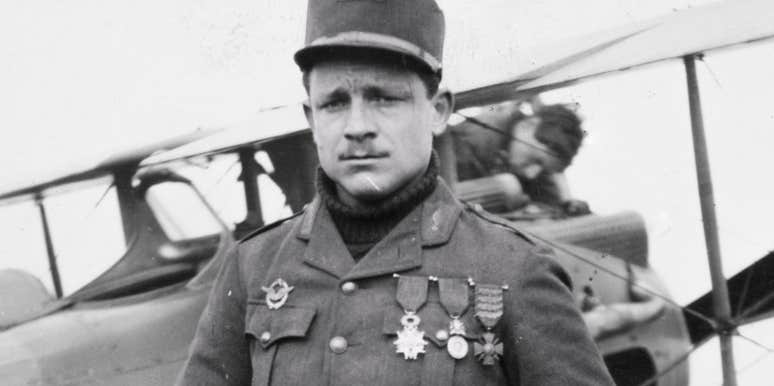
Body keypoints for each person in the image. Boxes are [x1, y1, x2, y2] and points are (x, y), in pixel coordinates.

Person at [177, 0, 614, 385]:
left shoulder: (514, 268)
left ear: (438, 111)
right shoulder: (252, 268)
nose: (357, 127)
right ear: (311, 118)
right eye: (334, 103)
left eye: (385, 98)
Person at [453, 102, 591, 216]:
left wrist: (570, 207)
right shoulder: (474, 140)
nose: (531, 174)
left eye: (543, 168)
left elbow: (550, 200)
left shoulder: (534, 159)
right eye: (536, 161)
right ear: (528, 126)